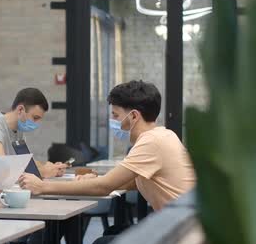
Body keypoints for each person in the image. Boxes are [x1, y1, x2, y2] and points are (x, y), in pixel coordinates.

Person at [19, 80, 196, 212]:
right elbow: (133, 182)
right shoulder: (164, 135)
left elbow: (103, 187)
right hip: (186, 228)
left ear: (134, 116)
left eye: (115, 115)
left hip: (187, 235)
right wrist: (97, 180)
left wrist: (42, 186)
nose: (112, 121)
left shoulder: (152, 142)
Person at [0, 87, 67, 178]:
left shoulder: (19, 132)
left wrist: (50, 167)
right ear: (20, 109)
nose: (37, 123)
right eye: (35, 118)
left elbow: (26, 162)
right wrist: (42, 172)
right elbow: (0, 168)